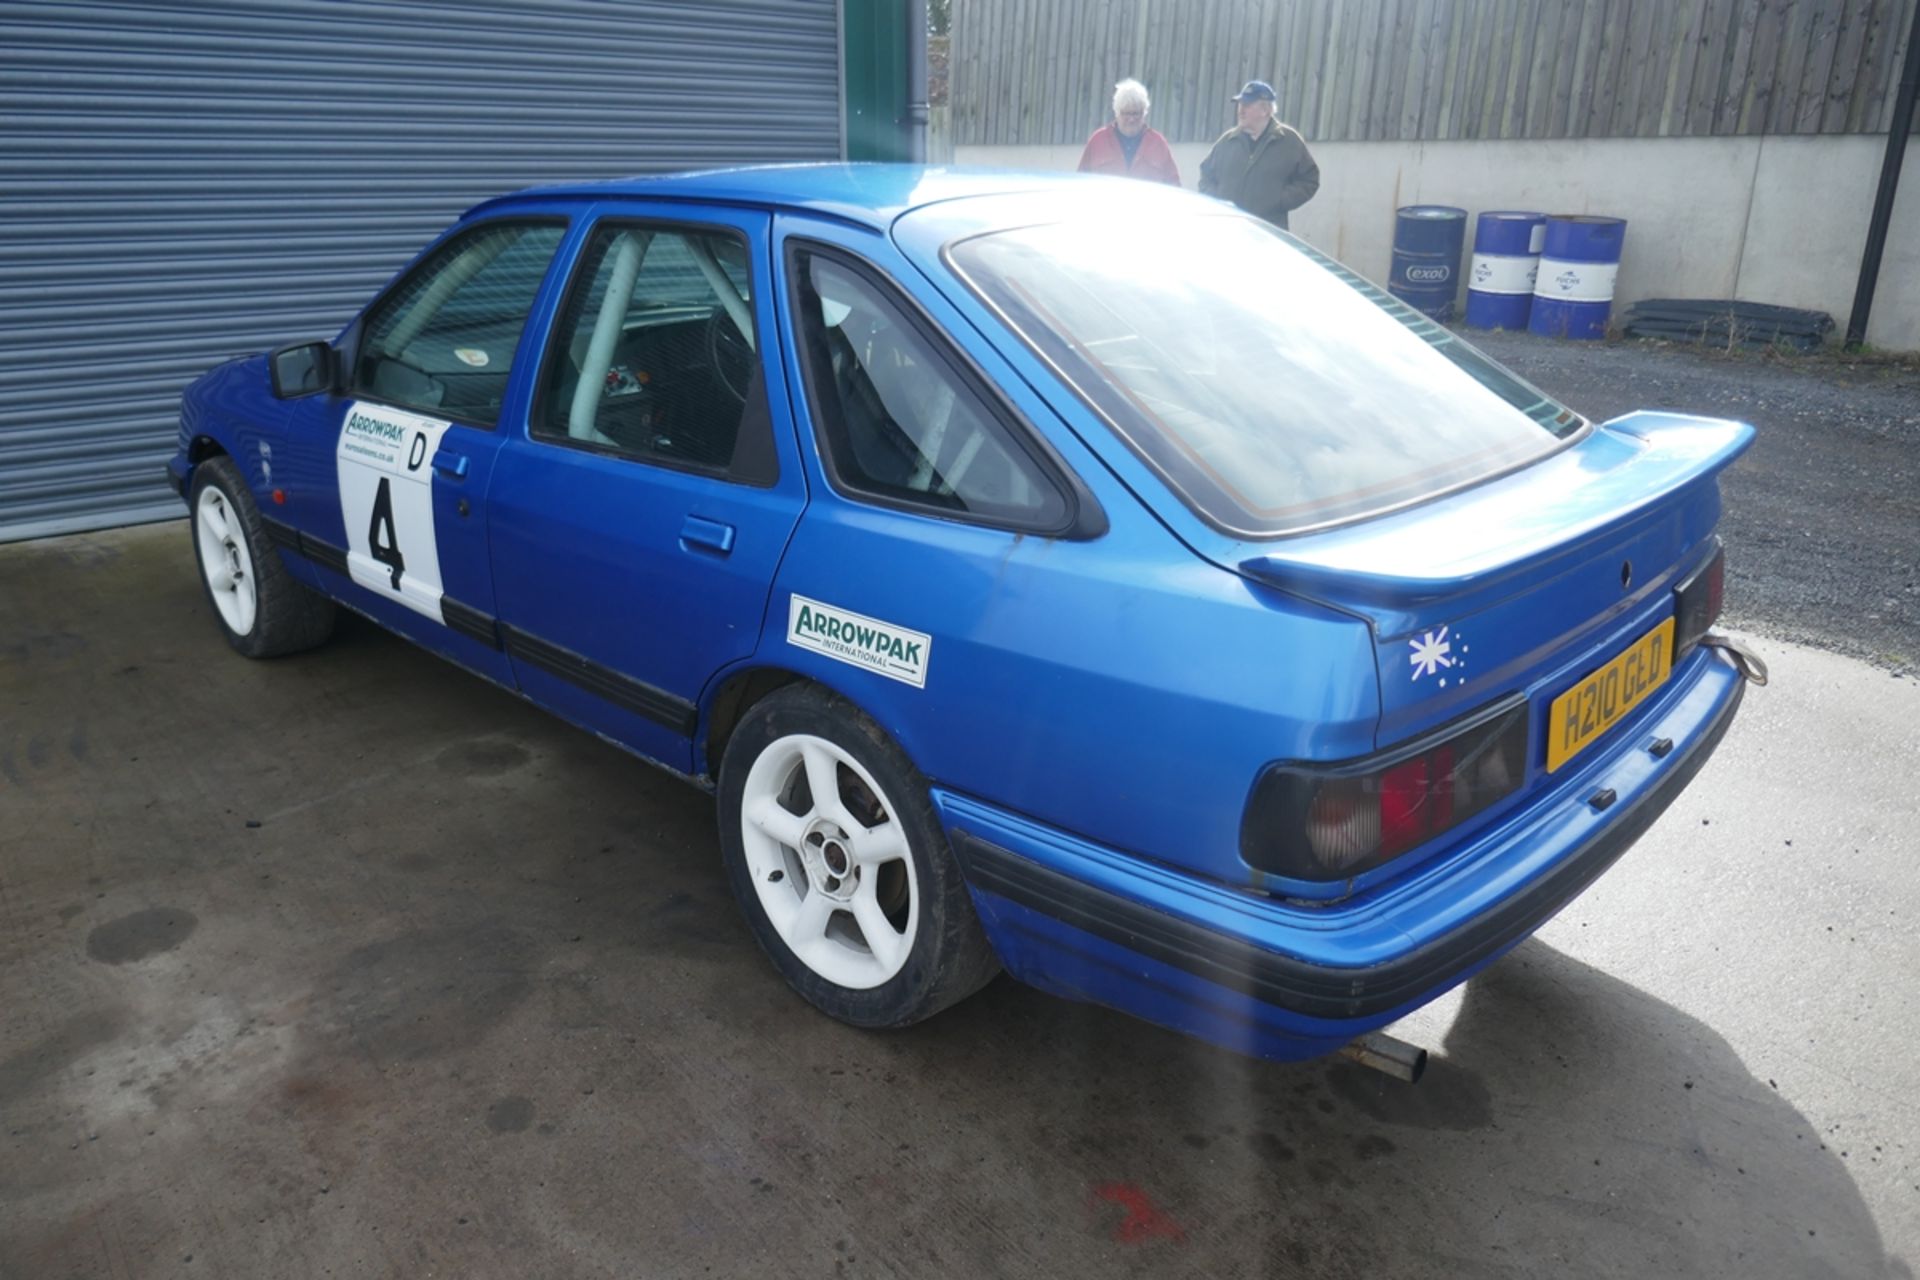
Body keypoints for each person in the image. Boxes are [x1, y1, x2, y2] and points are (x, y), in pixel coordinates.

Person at [1198, 79, 1319, 230]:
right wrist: (1218, 201)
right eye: (1240, 105)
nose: (1240, 110)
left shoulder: (1288, 141)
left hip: (1268, 233)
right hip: (1228, 231)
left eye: (1247, 105)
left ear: (1265, 110)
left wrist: (1278, 200)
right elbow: (1205, 177)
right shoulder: (1227, 142)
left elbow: (1309, 180)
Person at [1076, 78, 1180, 186]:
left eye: (1136, 113)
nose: (1131, 119)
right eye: (1126, 113)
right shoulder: (1098, 141)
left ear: (1144, 113)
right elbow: (1080, 183)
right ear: (1117, 113)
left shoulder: (1158, 144)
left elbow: (1174, 187)